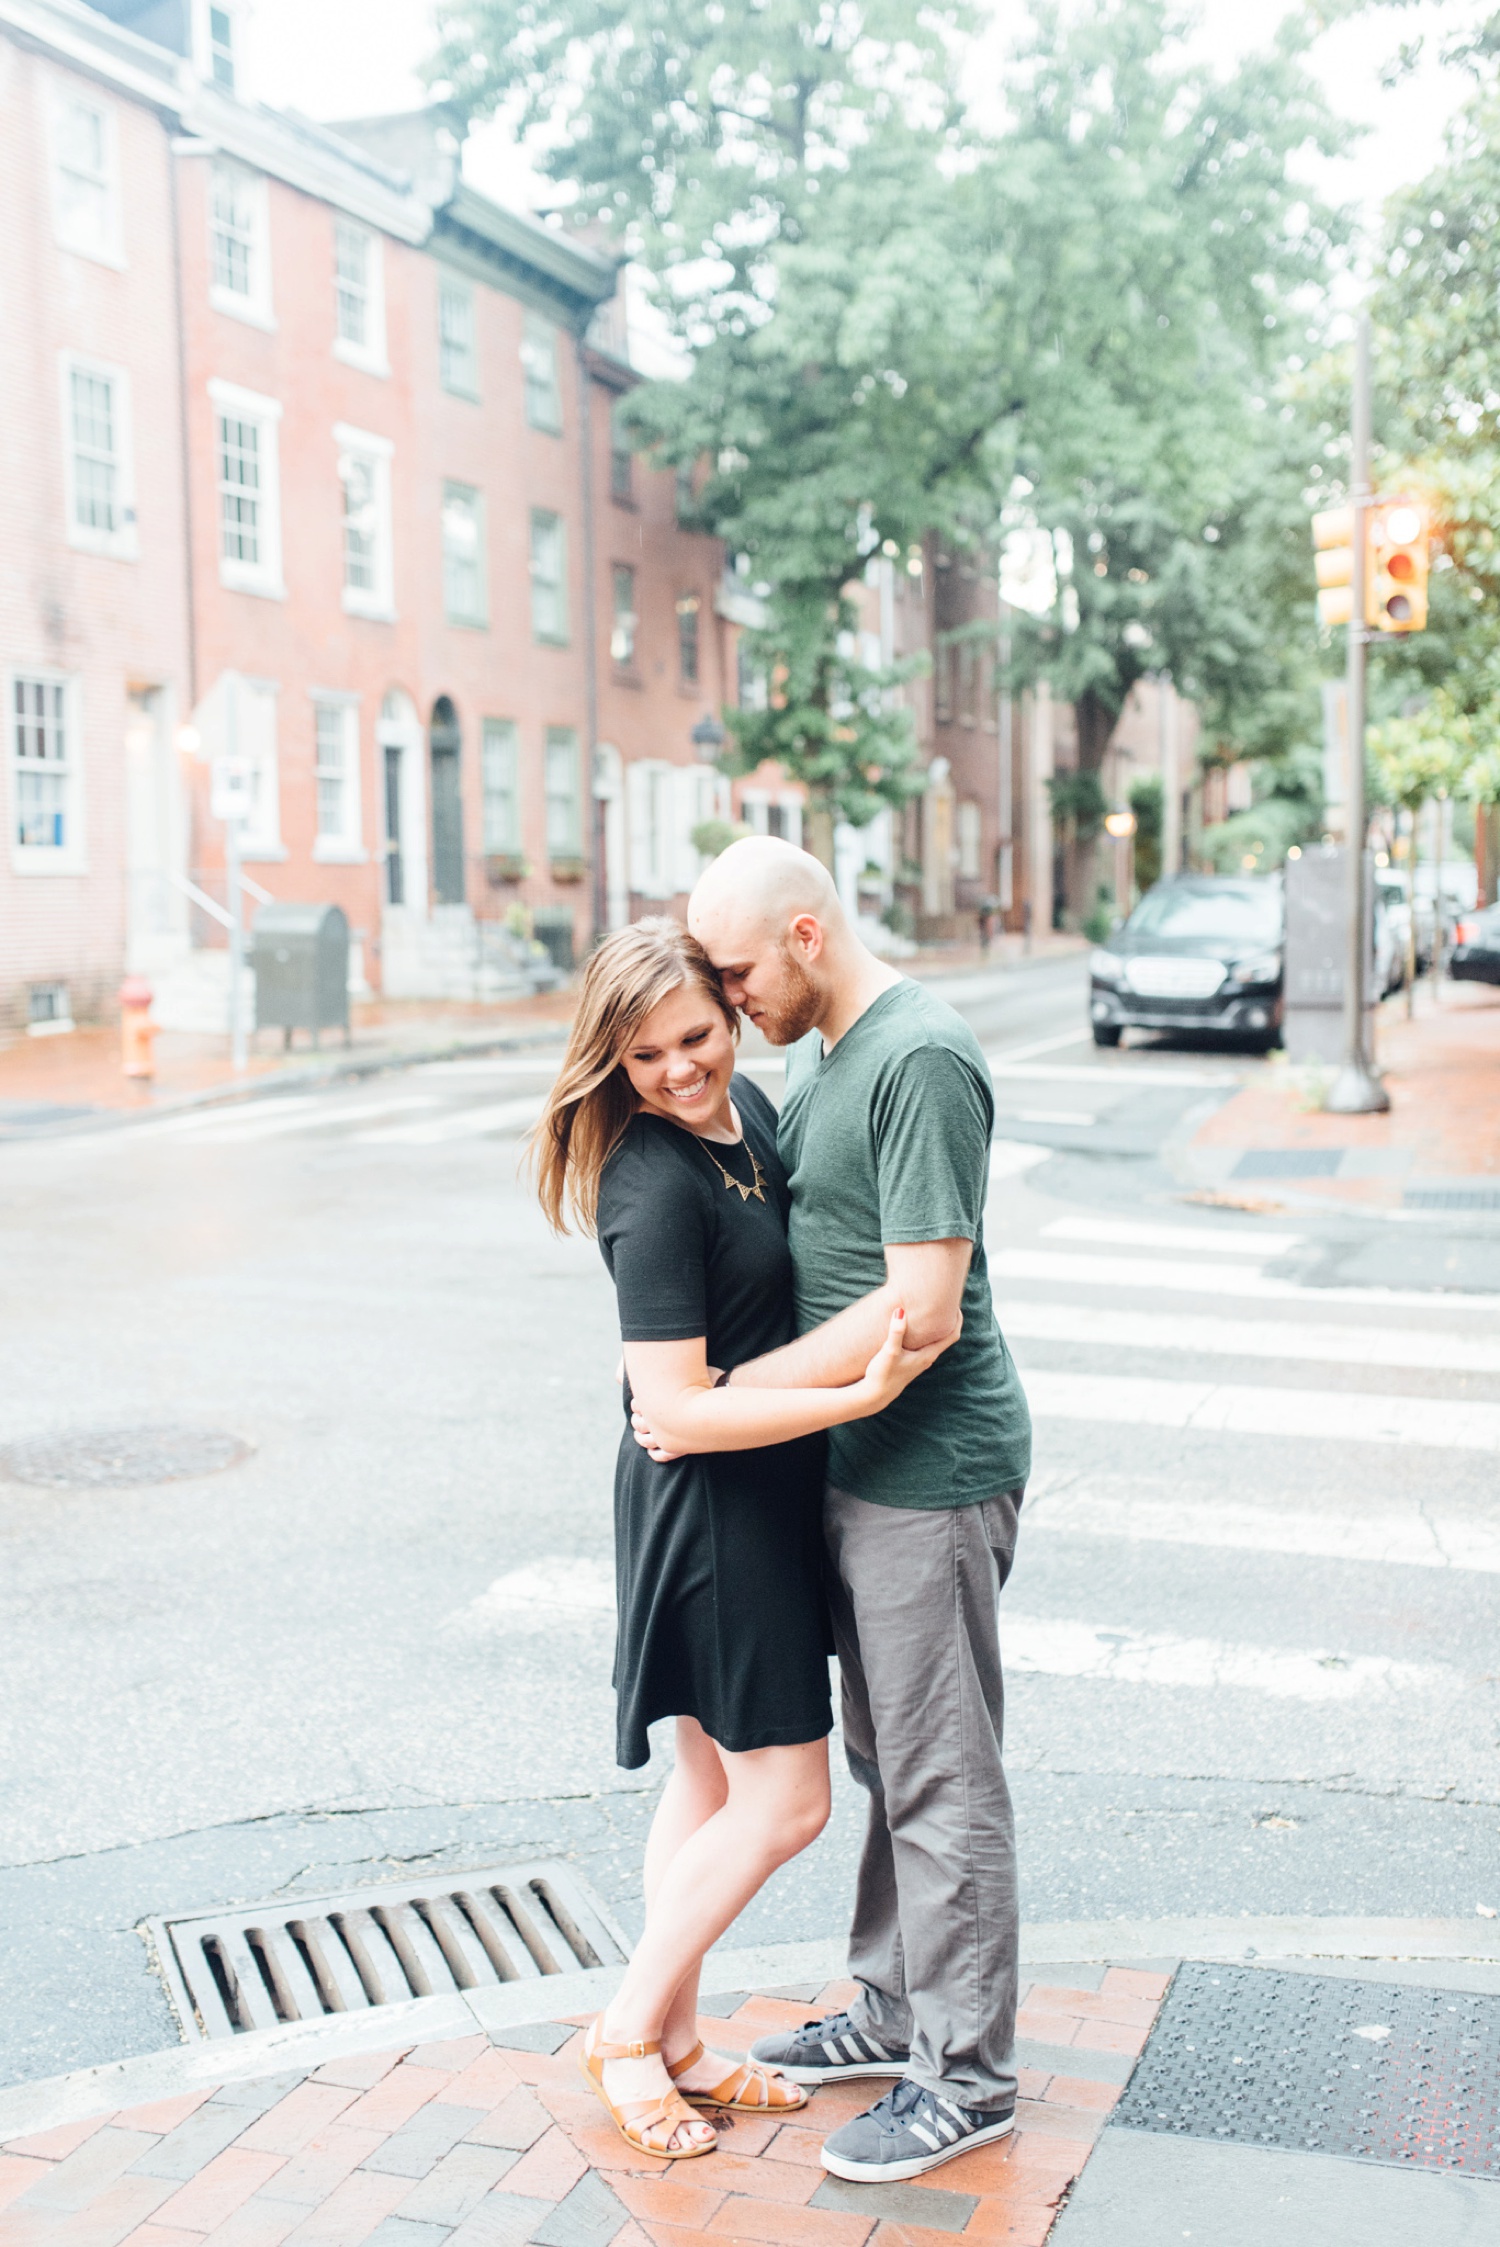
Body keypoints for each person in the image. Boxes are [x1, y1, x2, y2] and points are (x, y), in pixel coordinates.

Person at [530, 917, 956, 2163]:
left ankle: (674, 2042)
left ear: (729, 1014)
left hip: (753, 1495)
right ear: (610, 1061)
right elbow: (669, 1408)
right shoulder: (650, 1185)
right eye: (645, 1054)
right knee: (788, 1802)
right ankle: (622, 2031)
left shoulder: (747, 1115)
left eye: (696, 1036)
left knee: (709, 1783)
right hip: (714, 1513)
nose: (677, 1070)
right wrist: (855, 1399)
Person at [666, 835, 1033, 2184]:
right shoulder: (818, 1048)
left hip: (929, 1473)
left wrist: (734, 1392)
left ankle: (968, 2075)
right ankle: (893, 2010)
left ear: (808, 936)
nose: (730, 996)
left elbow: (921, 1309)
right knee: (888, 1761)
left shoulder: (916, 1055)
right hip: (853, 1463)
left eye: (741, 968)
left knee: (940, 1777)